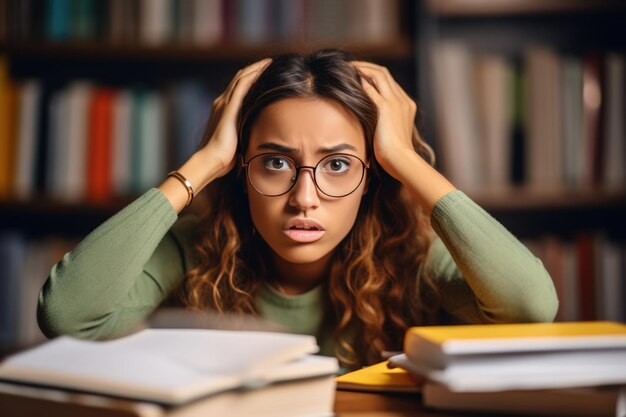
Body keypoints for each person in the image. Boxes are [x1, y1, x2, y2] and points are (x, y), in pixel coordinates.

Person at [37, 49, 558, 369]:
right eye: (275, 162)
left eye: (337, 165)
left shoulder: (410, 251)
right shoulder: (199, 245)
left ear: (370, 176)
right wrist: (202, 164)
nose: (303, 198)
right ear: (240, 169)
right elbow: (67, 317)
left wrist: (403, 158)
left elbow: (531, 306)